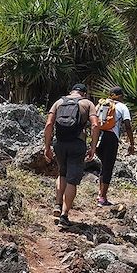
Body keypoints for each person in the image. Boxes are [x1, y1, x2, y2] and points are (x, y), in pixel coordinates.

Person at [44, 83, 99, 227]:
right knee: (72, 180)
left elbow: (49, 124)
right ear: (84, 93)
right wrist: (93, 146)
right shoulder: (87, 103)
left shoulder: (59, 102)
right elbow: (95, 125)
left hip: (60, 143)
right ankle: (64, 214)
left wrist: (47, 146)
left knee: (62, 173)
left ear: (71, 91)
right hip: (77, 144)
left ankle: (57, 203)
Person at [95, 86, 135, 206]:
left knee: (104, 166)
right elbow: (128, 125)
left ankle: (100, 194)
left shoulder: (102, 105)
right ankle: (102, 198)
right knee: (108, 167)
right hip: (111, 138)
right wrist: (131, 143)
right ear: (121, 96)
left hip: (99, 136)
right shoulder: (122, 107)